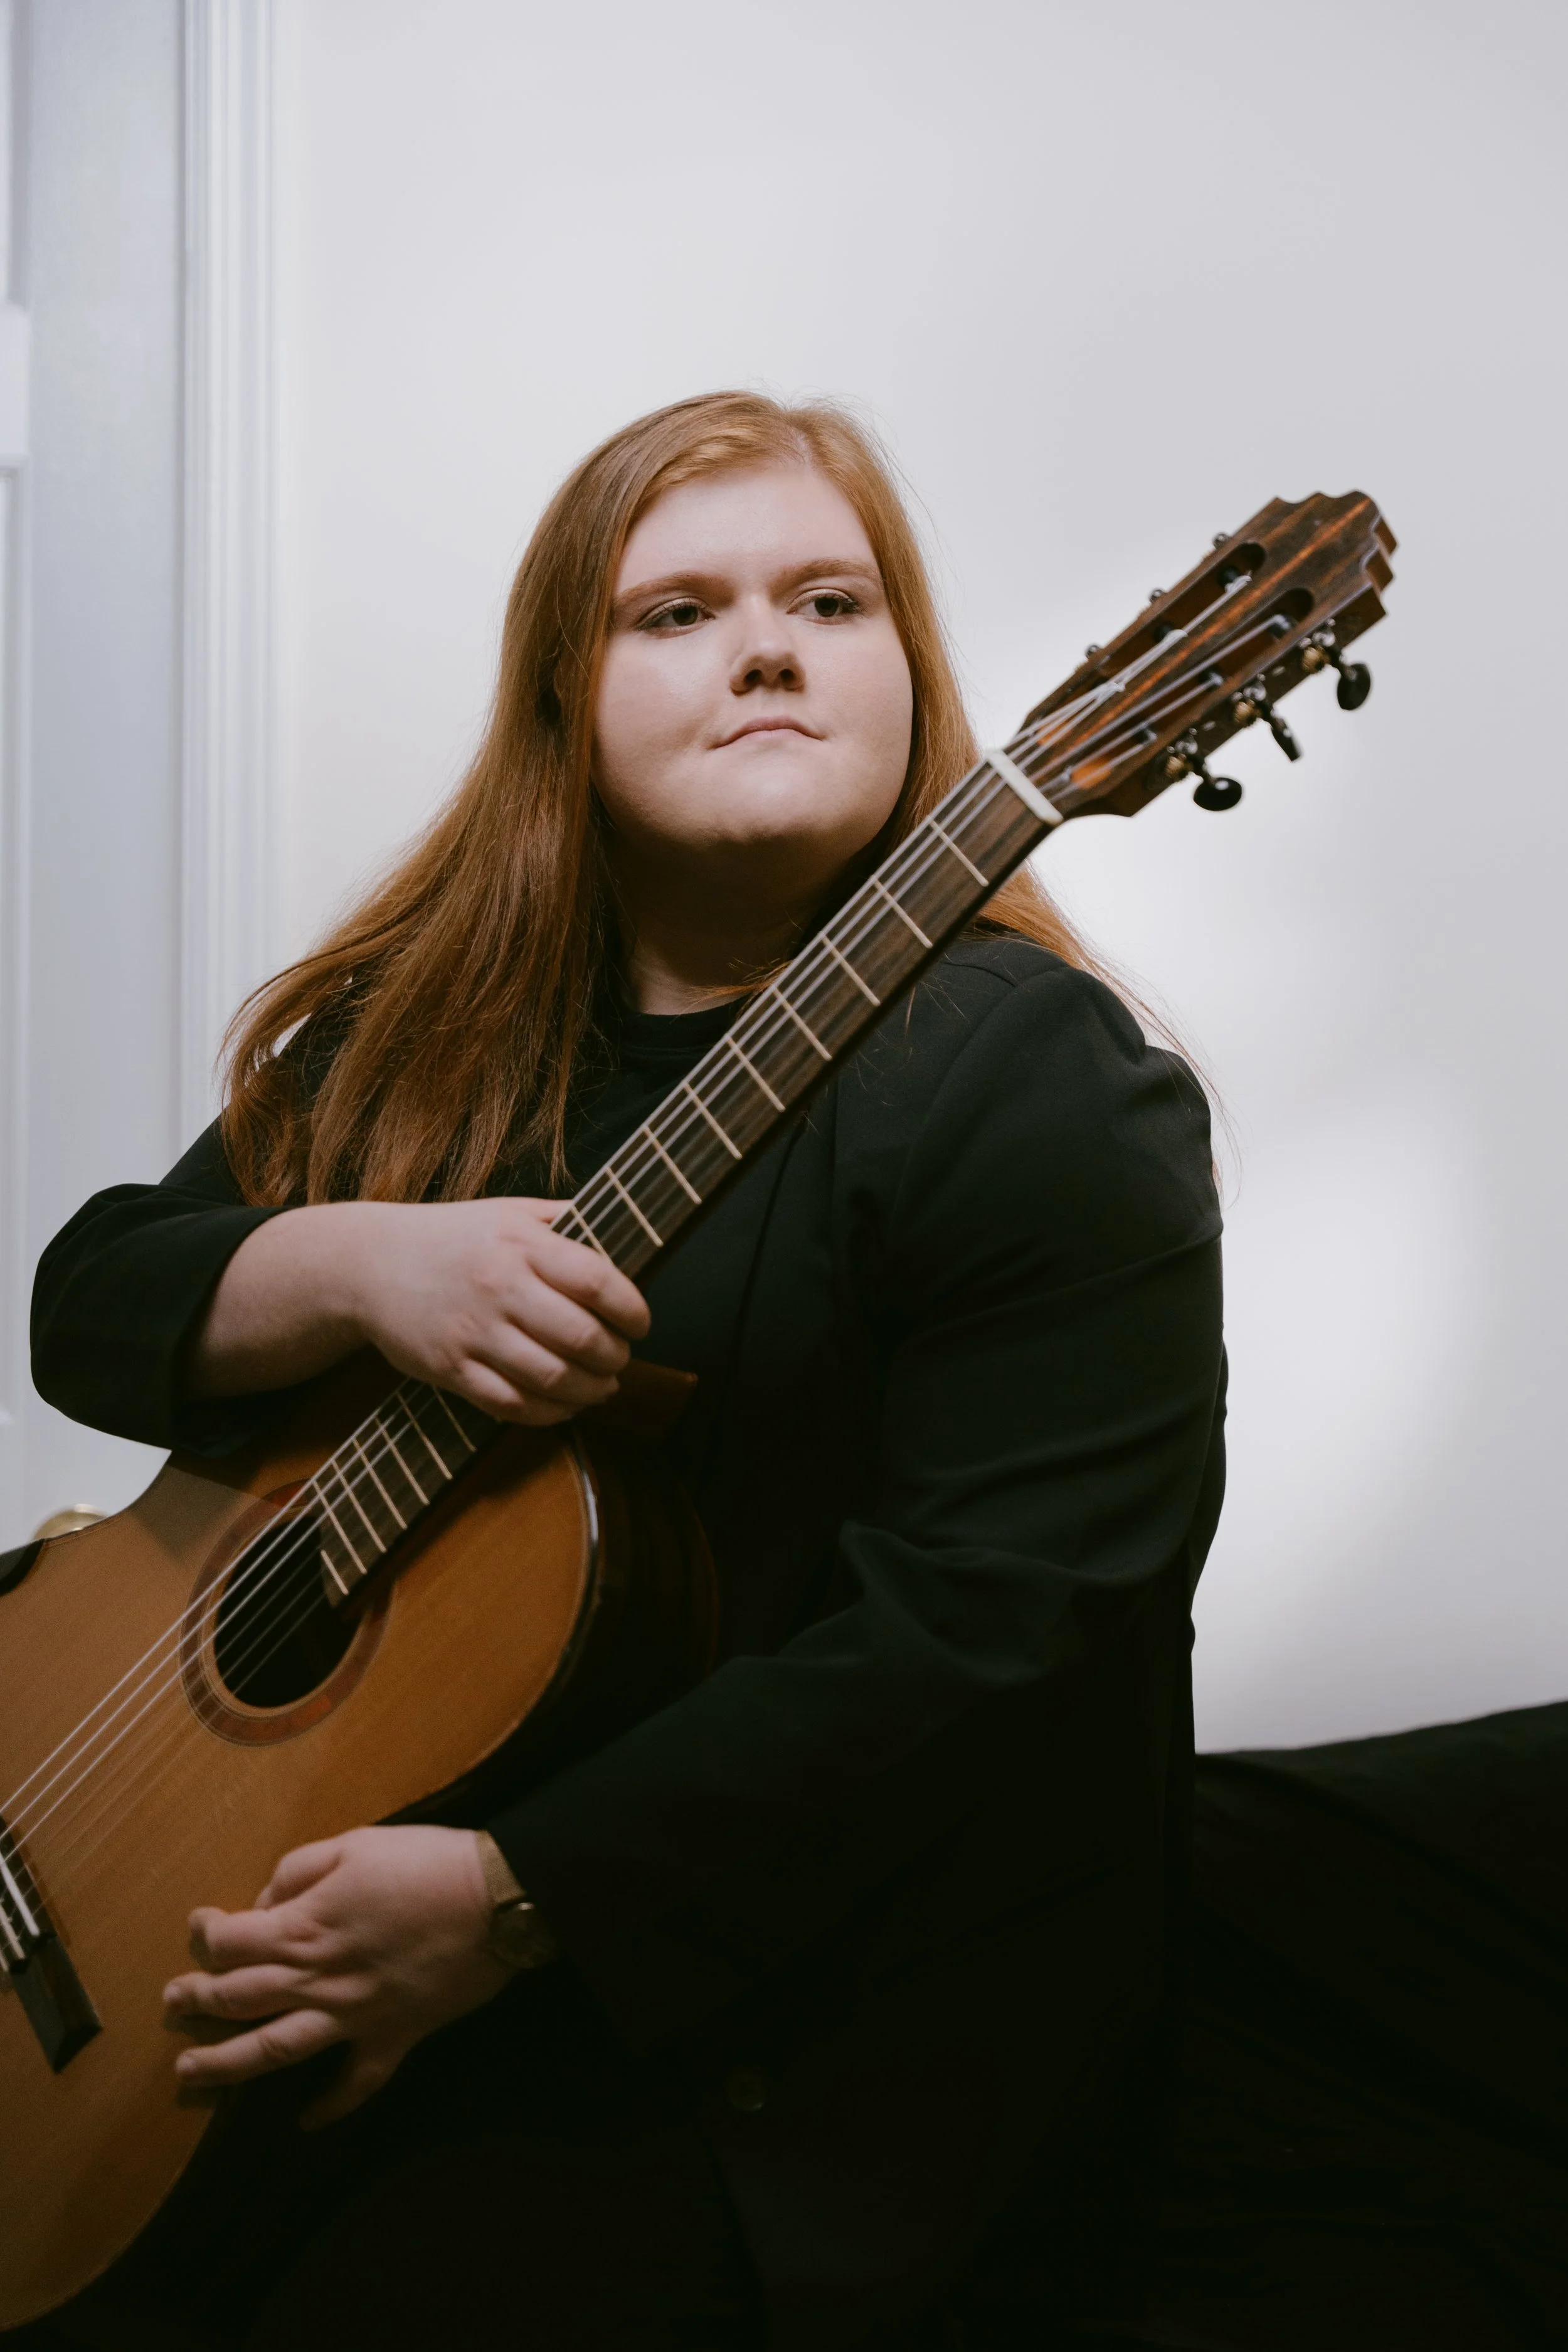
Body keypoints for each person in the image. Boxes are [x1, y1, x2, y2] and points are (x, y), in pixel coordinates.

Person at [23, 391, 1226, 2351]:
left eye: (828, 600)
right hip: (358, 1944)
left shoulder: (1036, 1077)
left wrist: (513, 1895)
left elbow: (1001, 1630)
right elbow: (92, 1300)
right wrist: (354, 1262)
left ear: (909, 678)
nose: (762, 642)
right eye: (674, 611)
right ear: (564, 702)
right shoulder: (432, 1033)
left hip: (786, 2073)